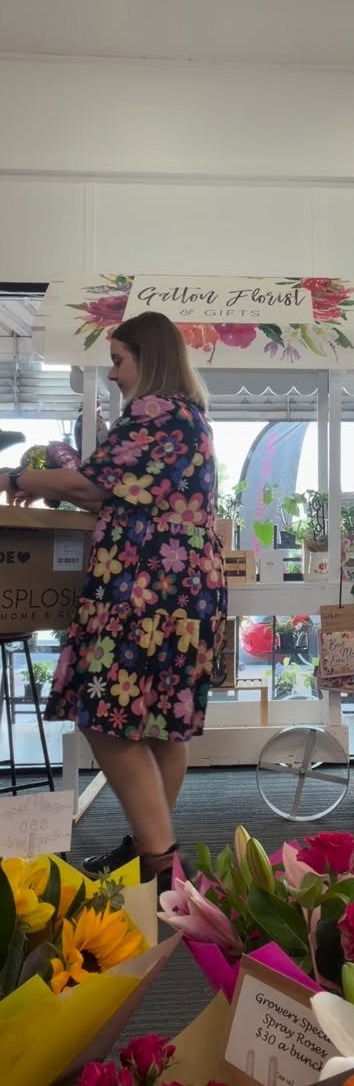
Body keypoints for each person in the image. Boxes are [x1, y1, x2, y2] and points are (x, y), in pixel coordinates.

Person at [0, 311, 227, 884]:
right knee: (160, 726)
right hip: (188, 590)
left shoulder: (154, 412)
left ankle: (159, 863)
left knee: (104, 716)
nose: (114, 373)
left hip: (144, 586)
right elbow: (112, 490)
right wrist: (56, 471)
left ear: (149, 359)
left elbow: (90, 486)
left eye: (119, 360)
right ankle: (146, 857)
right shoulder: (191, 419)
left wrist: (17, 479)